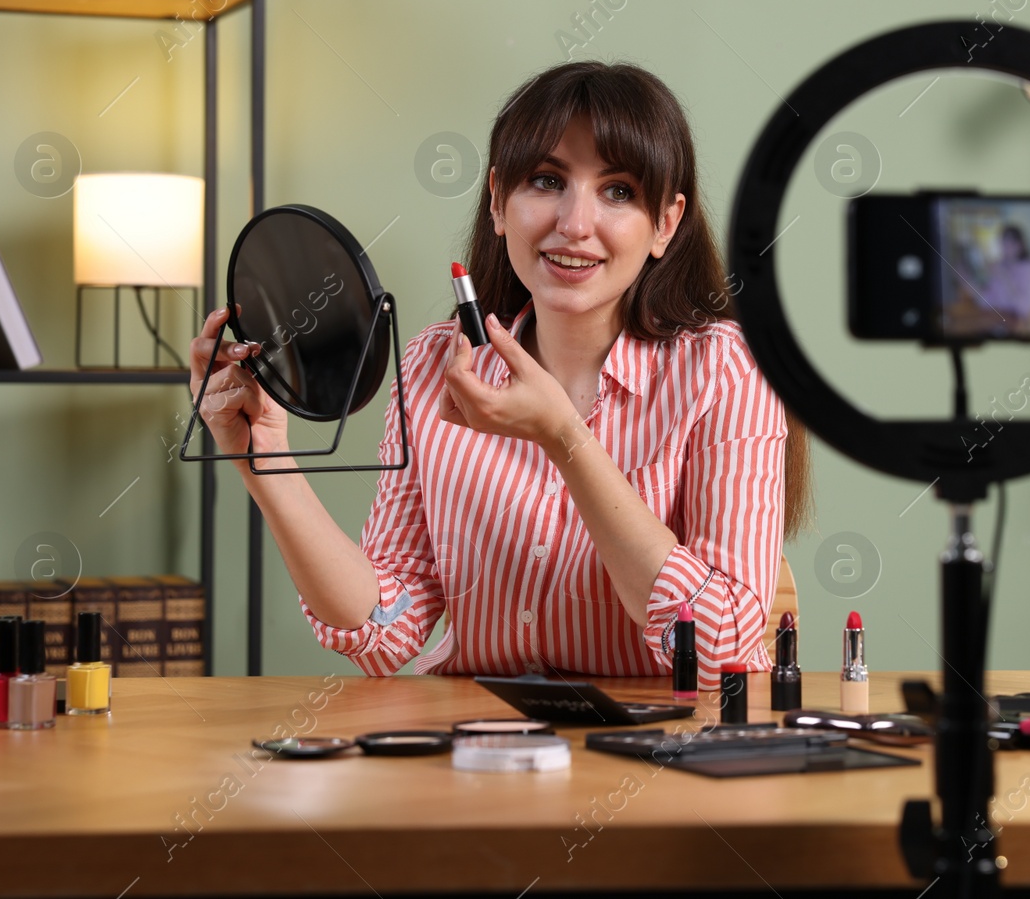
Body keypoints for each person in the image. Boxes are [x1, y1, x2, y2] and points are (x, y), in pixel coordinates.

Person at [189, 61, 812, 681]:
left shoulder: (726, 368)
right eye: (546, 181)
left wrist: (565, 438)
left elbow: (718, 650)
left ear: (665, 225)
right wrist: (264, 458)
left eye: (618, 191)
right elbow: (385, 626)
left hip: (659, 754)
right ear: (497, 201)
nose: (574, 224)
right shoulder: (438, 364)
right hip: (482, 751)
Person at [970, 224, 1030, 334]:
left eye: (1010, 243)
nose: (1005, 248)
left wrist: (1004, 277)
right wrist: (970, 284)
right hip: (995, 322)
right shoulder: (1000, 265)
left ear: (1020, 245)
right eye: (1003, 243)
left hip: (1018, 326)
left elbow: (1025, 308)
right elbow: (987, 301)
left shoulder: (1028, 267)